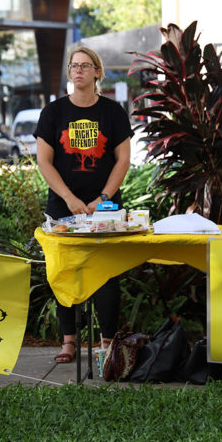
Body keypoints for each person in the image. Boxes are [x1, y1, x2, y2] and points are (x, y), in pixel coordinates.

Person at [34, 45, 132, 363]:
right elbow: (44, 162)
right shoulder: (53, 113)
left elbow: (123, 160)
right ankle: (68, 342)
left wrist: (102, 198)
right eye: (74, 65)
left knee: (106, 273)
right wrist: (70, 199)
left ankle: (107, 342)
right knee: (64, 270)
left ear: (97, 72)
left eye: (85, 65)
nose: (78, 70)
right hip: (64, 207)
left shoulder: (113, 112)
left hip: (104, 208)